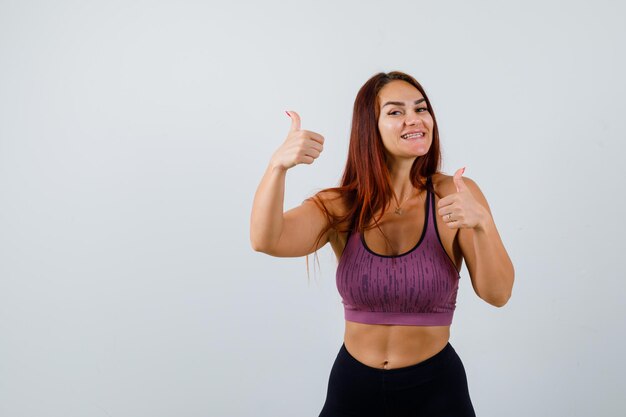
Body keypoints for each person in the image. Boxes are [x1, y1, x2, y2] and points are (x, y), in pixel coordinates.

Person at [250, 71, 515, 417]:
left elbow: (498, 294)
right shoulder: (342, 206)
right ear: (369, 127)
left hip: (436, 392)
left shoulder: (455, 194)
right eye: (395, 112)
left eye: (421, 109)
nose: (414, 120)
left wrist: (482, 224)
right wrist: (277, 167)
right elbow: (265, 239)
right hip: (353, 390)